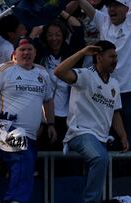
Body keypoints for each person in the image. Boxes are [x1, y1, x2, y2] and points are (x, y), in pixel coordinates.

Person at [0, 36, 57, 203]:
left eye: (30, 49)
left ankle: (13, 202)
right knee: (23, 159)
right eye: (22, 50)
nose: (26, 53)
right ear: (14, 53)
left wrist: (51, 123)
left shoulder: (42, 73)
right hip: (4, 128)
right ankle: (12, 201)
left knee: (27, 162)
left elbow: (48, 101)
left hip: (30, 134)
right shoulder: (4, 70)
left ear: (35, 53)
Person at [55, 42, 128, 203]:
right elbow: (58, 72)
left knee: (96, 166)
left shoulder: (115, 84)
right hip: (80, 133)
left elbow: (115, 113)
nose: (115, 60)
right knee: (100, 159)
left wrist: (123, 136)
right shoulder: (86, 75)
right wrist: (81, 51)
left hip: (101, 137)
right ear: (99, 57)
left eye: (116, 56)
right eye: (111, 56)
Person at [78, 0, 131, 151]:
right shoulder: (103, 20)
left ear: (127, 7)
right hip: (107, 91)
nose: (111, 9)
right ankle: (113, 174)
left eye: (116, 5)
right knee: (109, 139)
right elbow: (82, 2)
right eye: (109, 5)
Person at [35, 18, 84, 149]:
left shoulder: (70, 55)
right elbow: (29, 41)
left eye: (58, 34)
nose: (54, 38)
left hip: (65, 116)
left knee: (60, 157)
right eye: (50, 35)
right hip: (41, 115)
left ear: (63, 36)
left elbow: (78, 25)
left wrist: (57, 10)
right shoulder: (39, 54)